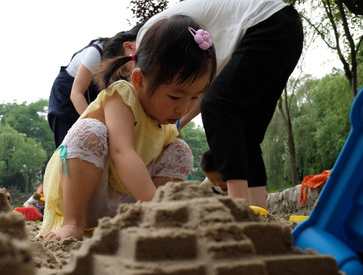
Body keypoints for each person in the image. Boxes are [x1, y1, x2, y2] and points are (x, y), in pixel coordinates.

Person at [39, 15, 217, 240]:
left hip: (122, 206)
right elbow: (121, 152)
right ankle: (73, 223)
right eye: (174, 96)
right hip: (89, 199)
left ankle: (147, 220)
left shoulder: (165, 123)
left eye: (194, 97)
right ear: (140, 80)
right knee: (90, 131)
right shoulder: (122, 96)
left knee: (180, 151)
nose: (183, 108)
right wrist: (159, 207)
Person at [137, 0, 303, 209]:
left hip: (265, 23)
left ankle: (238, 208)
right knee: (247, 135)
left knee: (219, 107)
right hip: (287, 27)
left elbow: (206, 99)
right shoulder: (168, 38)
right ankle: (259, 212)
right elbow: (200, 92)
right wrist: (177, 125)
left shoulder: (150, 37)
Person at [47, 23, 143, 148]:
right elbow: (76, 94)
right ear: (129, 46)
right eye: (124, 70)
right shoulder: (96, 51)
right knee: (71, 147)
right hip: (67, 98)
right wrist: (97, 126)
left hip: (92, 99)